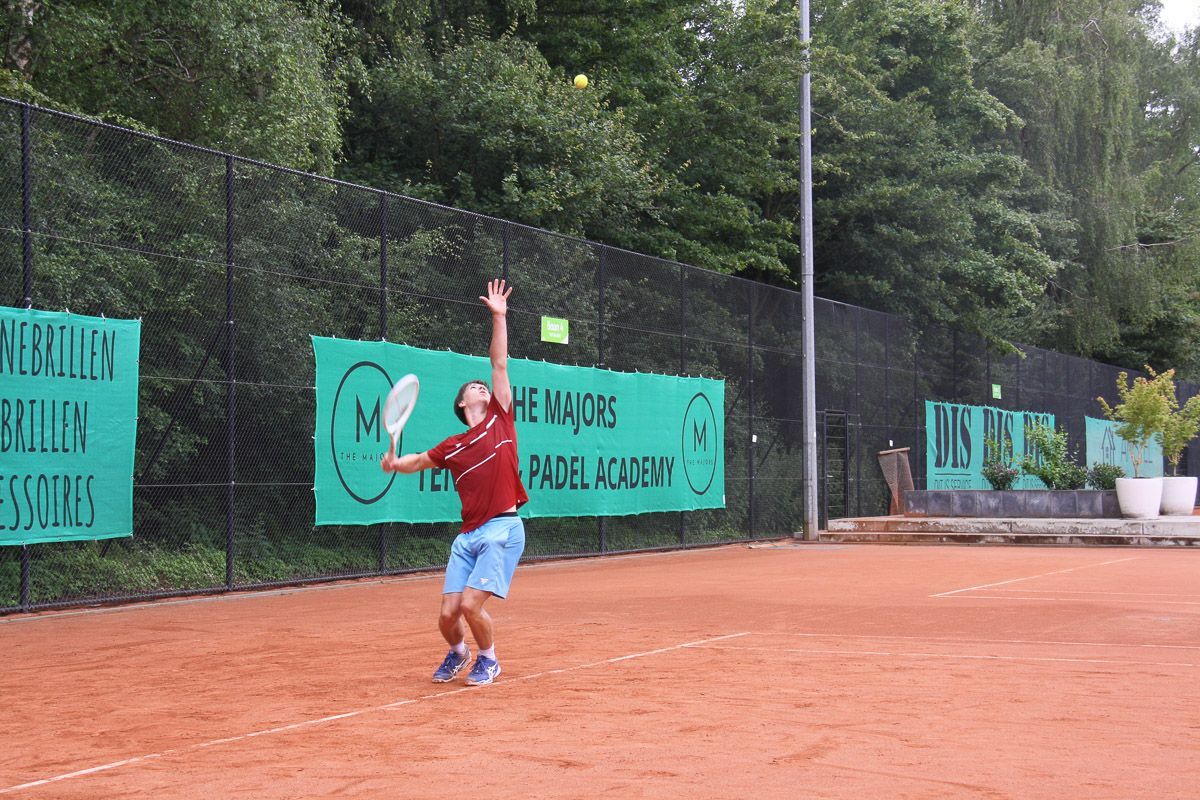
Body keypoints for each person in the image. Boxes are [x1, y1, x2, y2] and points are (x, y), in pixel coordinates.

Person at [381, 279, 528, 687]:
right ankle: (459, 652)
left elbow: (499, 364)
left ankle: (490, 660)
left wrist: (499, 317)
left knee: (470, 605)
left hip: (503, 528)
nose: (482, 387)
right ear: (462, 403)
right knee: (448, 615)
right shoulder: (453, 445)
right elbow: (418, 461)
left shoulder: (501, 419)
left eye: (484, 387)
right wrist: (394, 464)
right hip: (468, 536)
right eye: (474, 388)